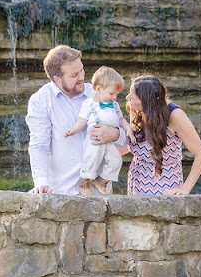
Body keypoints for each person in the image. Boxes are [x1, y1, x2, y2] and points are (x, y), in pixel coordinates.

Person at [25, 45, 128, 195]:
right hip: (62, 192)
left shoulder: (99, 92)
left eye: (81, 70)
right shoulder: (41, 100)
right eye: (74, 75)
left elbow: (127, 140)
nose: (81, 77)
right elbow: (39, 145)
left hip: (98, 193)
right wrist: (41, 183)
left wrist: (115, 134)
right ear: (57, 79)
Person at [124, 75, 201, 195]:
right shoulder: (137, 109)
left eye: (133, 96)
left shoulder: (175, 115)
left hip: (165, 183)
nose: (127, 98)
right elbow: (135, 146)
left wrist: (185, 189)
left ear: (148, 100)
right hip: (137, 180)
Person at [64, 66, 135, 195]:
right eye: (111, 94)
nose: (114, 97)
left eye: (117, 94)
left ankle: (101, 180)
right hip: (94, 138)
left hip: (109, 140)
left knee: (116, 159)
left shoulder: (114, 105)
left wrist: (128, 128)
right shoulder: (89, 104)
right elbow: (82, 120)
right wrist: (74, 130)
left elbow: (122, 120)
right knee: (92, 158)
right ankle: (83, 181)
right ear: (98, 89)